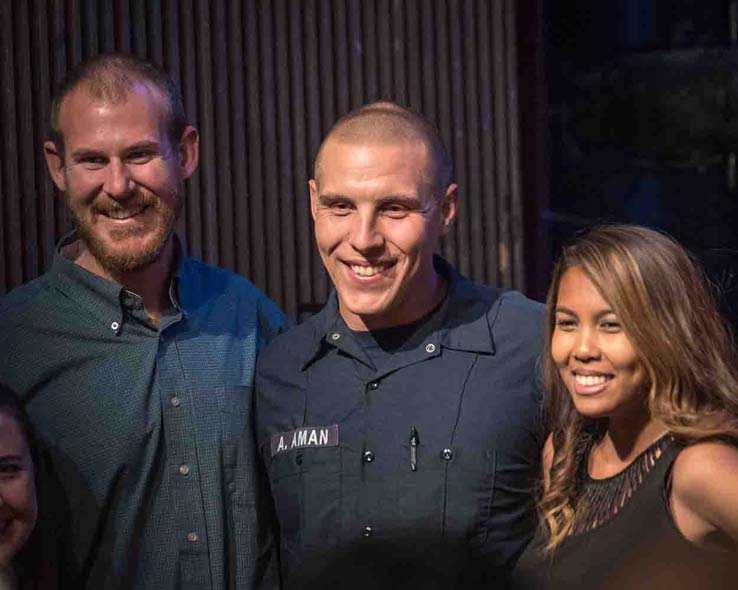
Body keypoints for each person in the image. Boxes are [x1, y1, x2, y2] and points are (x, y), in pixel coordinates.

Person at [0, 54, 284, 589]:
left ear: (186, 152)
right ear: (57, 167)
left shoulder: (249, 316)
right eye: (91, 161)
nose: (119, 185)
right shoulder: (11, 345)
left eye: (140, 154)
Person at [255, 101, 545, 589]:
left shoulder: (531, 342)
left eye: (394, 208)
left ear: (446, 210)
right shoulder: (277, 371)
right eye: (340, 206)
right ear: (313, 203)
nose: (363, 239)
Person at [512, 225, 738, 589]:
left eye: (611, 325)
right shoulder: (564, 452)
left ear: (665, 333)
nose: (582, 348)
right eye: (567, 323)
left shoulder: (699, 469)